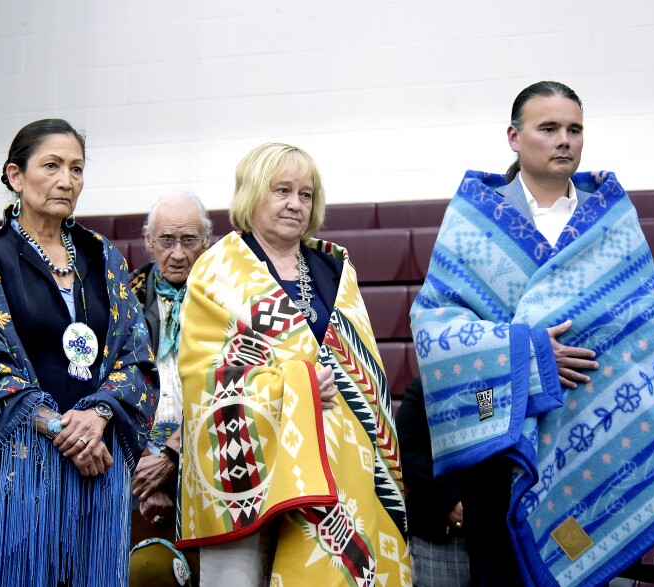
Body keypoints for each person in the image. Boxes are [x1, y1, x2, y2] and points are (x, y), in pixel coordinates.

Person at [410, 82, 654, 586]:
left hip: (595, 436)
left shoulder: (611, 219)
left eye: (574, 129)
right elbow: (436, 329)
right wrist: (528, 354)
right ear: (514, 136)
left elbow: (644, 328)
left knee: (579, 564)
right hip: (497, 433)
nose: (563, 140)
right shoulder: (474, 219)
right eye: (548, 128)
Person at [175, 143, 412, 586]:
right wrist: (296, 387)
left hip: (339, 459)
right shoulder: (216, 271)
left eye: (306, 194)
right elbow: (205, 377)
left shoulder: (334, 267)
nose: (295, 204)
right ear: (252, 195)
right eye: (281, 190)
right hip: (247, 470)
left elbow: (366, 369)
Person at [0, 119, 158, 586]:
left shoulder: (104, 257)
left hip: (96, 468)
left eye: (77, 168)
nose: (67, 180)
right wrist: (63, 427)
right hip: (18, 472)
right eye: (52, 165)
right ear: (16, 176)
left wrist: (99, 415)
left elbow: (136, 359)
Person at [128, 191, 212, 585]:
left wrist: (173, 454)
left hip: (208, 459)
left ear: (207, 240)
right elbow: (110, 387)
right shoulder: (123, 301)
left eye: (189, 240)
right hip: (139, 465)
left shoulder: (223, 300)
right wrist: (148, 471)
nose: (178, 253)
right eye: (166, 240)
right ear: (148, 240)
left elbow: (231, 385)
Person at [395, 377, 470, 586]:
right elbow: (407, 449)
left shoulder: (491, 388)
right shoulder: (425, 385)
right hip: (439, 535)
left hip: (493, 534)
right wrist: (449, 502)